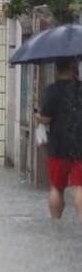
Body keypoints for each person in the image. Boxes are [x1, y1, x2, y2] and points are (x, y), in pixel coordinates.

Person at [38, 58, 82, 222]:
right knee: (79, 187)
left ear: (57, 68)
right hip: (80, 146)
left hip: (58, 147)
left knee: (57, 187)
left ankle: (55, 222)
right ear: (74, 67)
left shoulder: (52, 91)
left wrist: (38, 117)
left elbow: (46, 119)